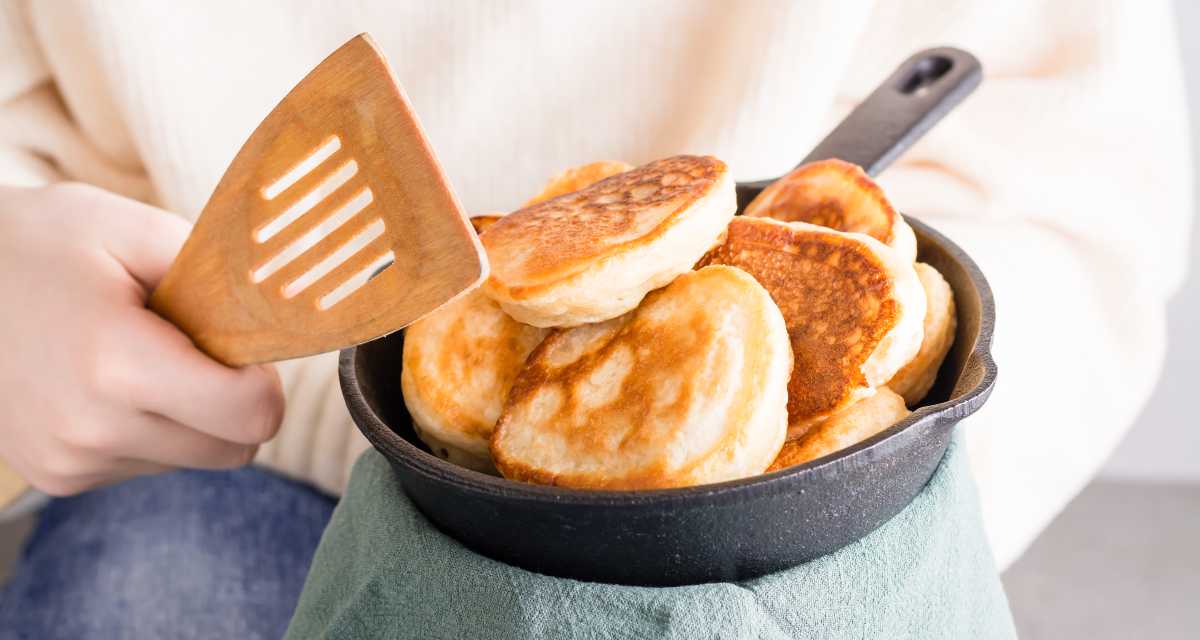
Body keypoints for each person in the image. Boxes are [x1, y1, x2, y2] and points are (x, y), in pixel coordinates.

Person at [0, 0, 1192, 637]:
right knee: (148, 575)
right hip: (210, 455)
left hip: (771, 538)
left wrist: (826, 494)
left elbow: (1075, 161)